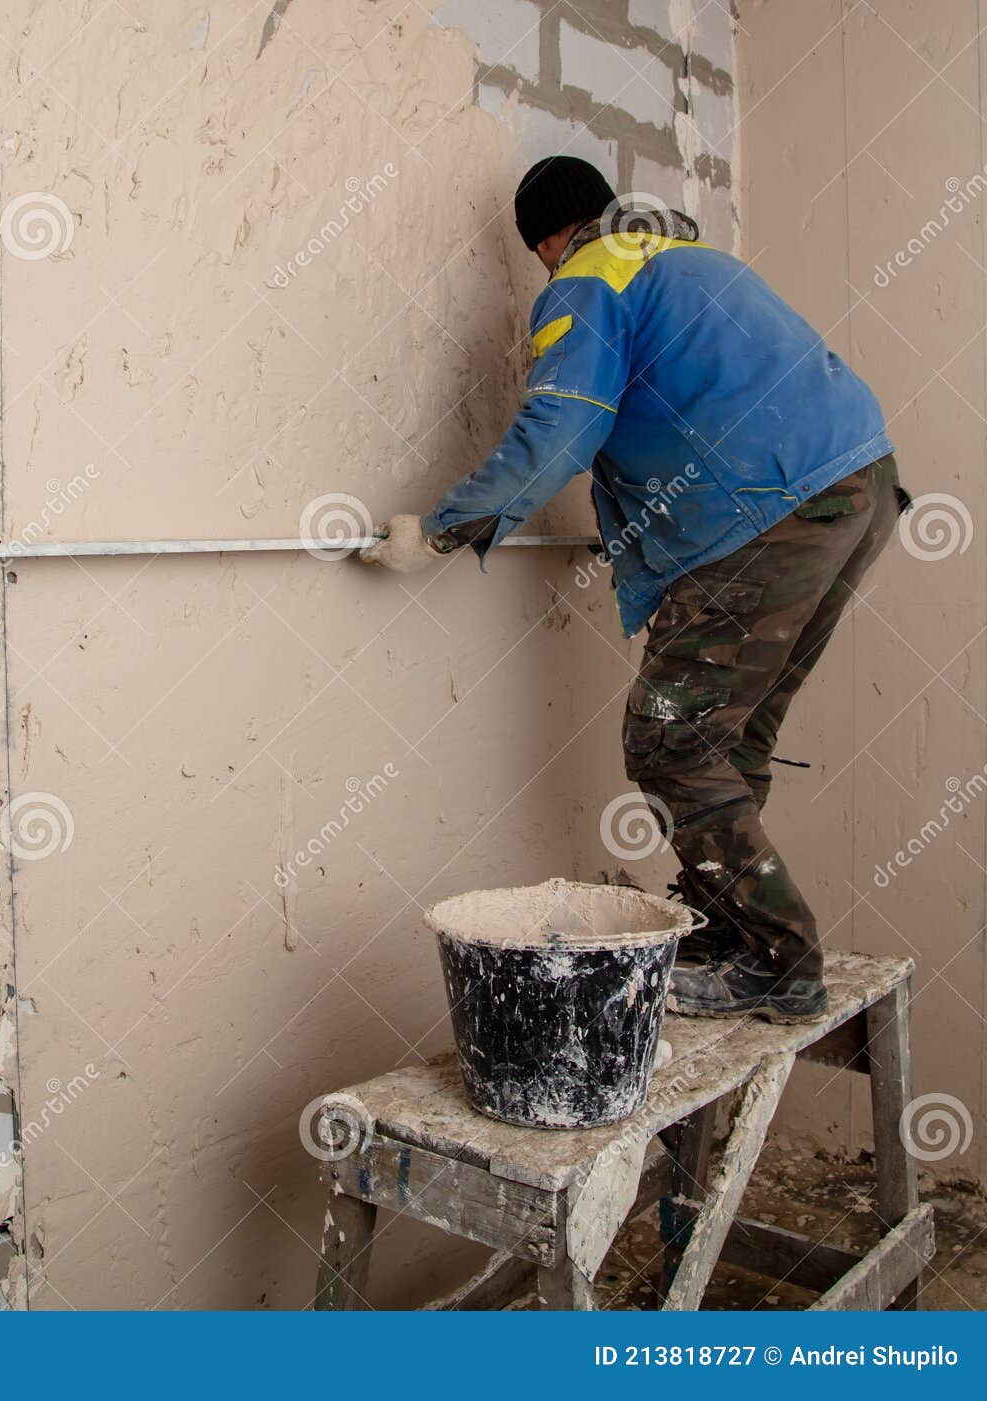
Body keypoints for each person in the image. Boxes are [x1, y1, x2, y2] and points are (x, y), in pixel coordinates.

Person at [361, 155, 908, 1025]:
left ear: (544, 240)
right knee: (732, 734)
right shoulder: (692, 262)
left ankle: (778, 960)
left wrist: (441, 527)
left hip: (764, 506)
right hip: (858, 487)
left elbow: (563, 426)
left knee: (669, 742)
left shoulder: (585, 279)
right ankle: (733, 930)